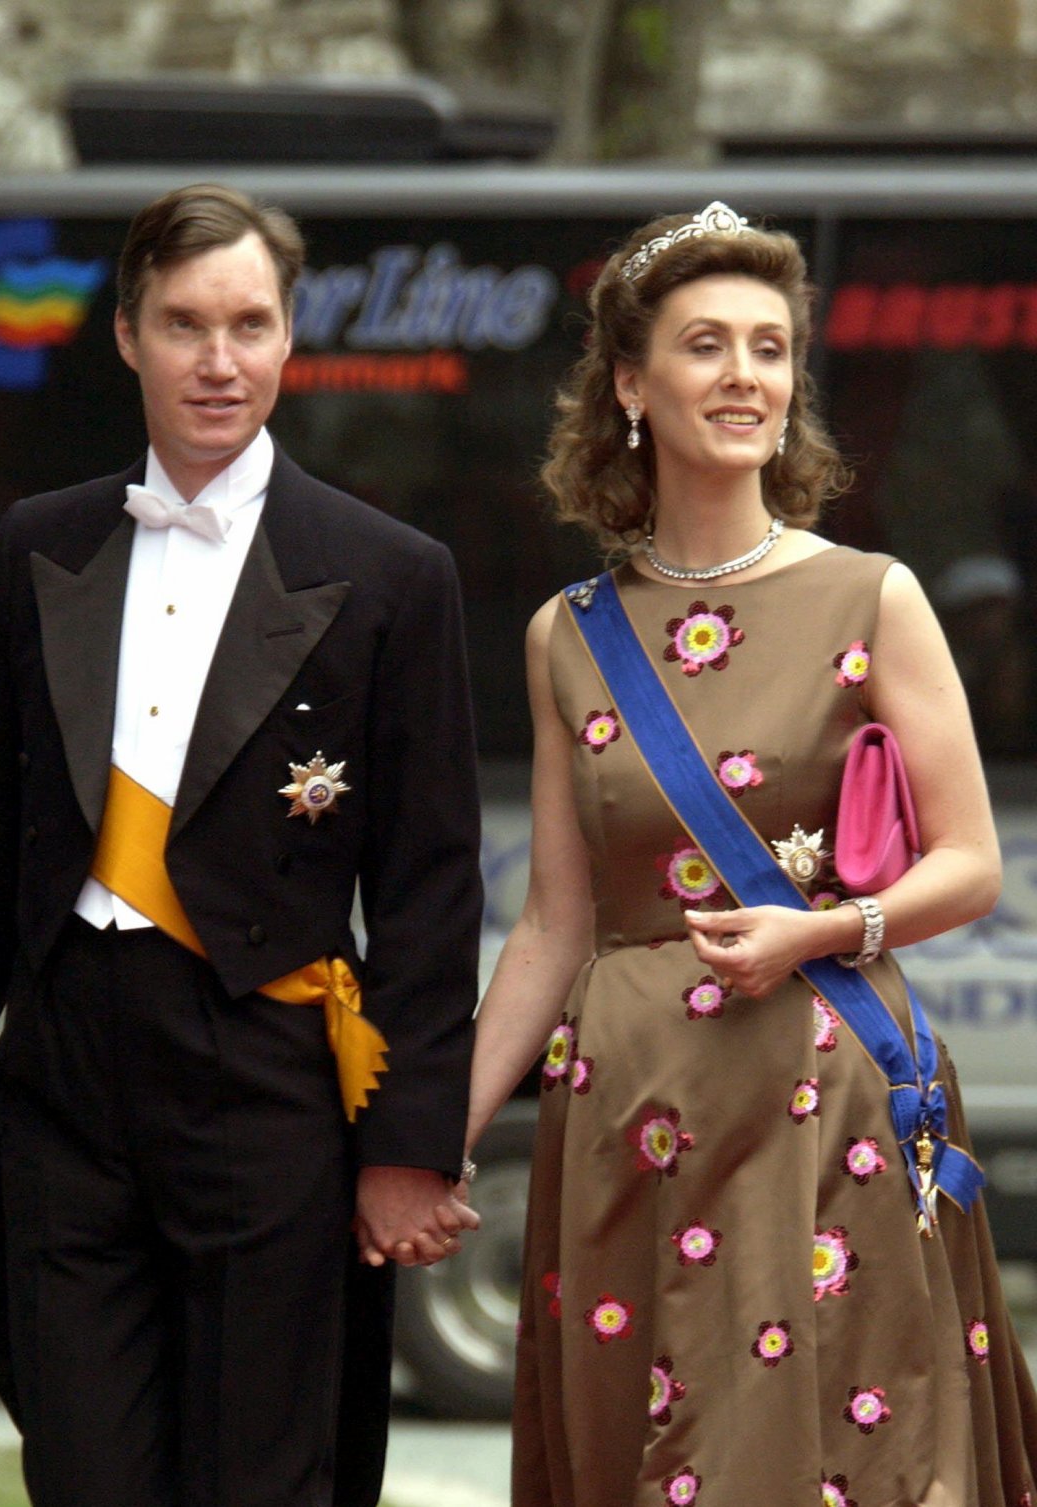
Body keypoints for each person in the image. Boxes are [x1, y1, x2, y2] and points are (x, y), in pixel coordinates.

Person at [0, 183, 482, 1507]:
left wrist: (408, 1145)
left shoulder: (390, 573)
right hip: (65, 1075)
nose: (219, 359)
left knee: (260, 1479)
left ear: (290, 337)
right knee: (82, 1474)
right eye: (185, 324)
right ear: (127, 335)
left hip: (265, 1075)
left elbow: (428, 893)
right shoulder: (42, 545)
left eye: (250, 324)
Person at [465, 203, 1037, 1504]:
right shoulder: (570, 632)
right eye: (707, 343)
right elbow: (557, 925)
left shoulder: (871, 594)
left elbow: (970, 865)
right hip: (626, 1115)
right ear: (628, 384)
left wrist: (826, 931)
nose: (745, 375)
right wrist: (432, 1135)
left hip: (818, 1107)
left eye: (771, 348)